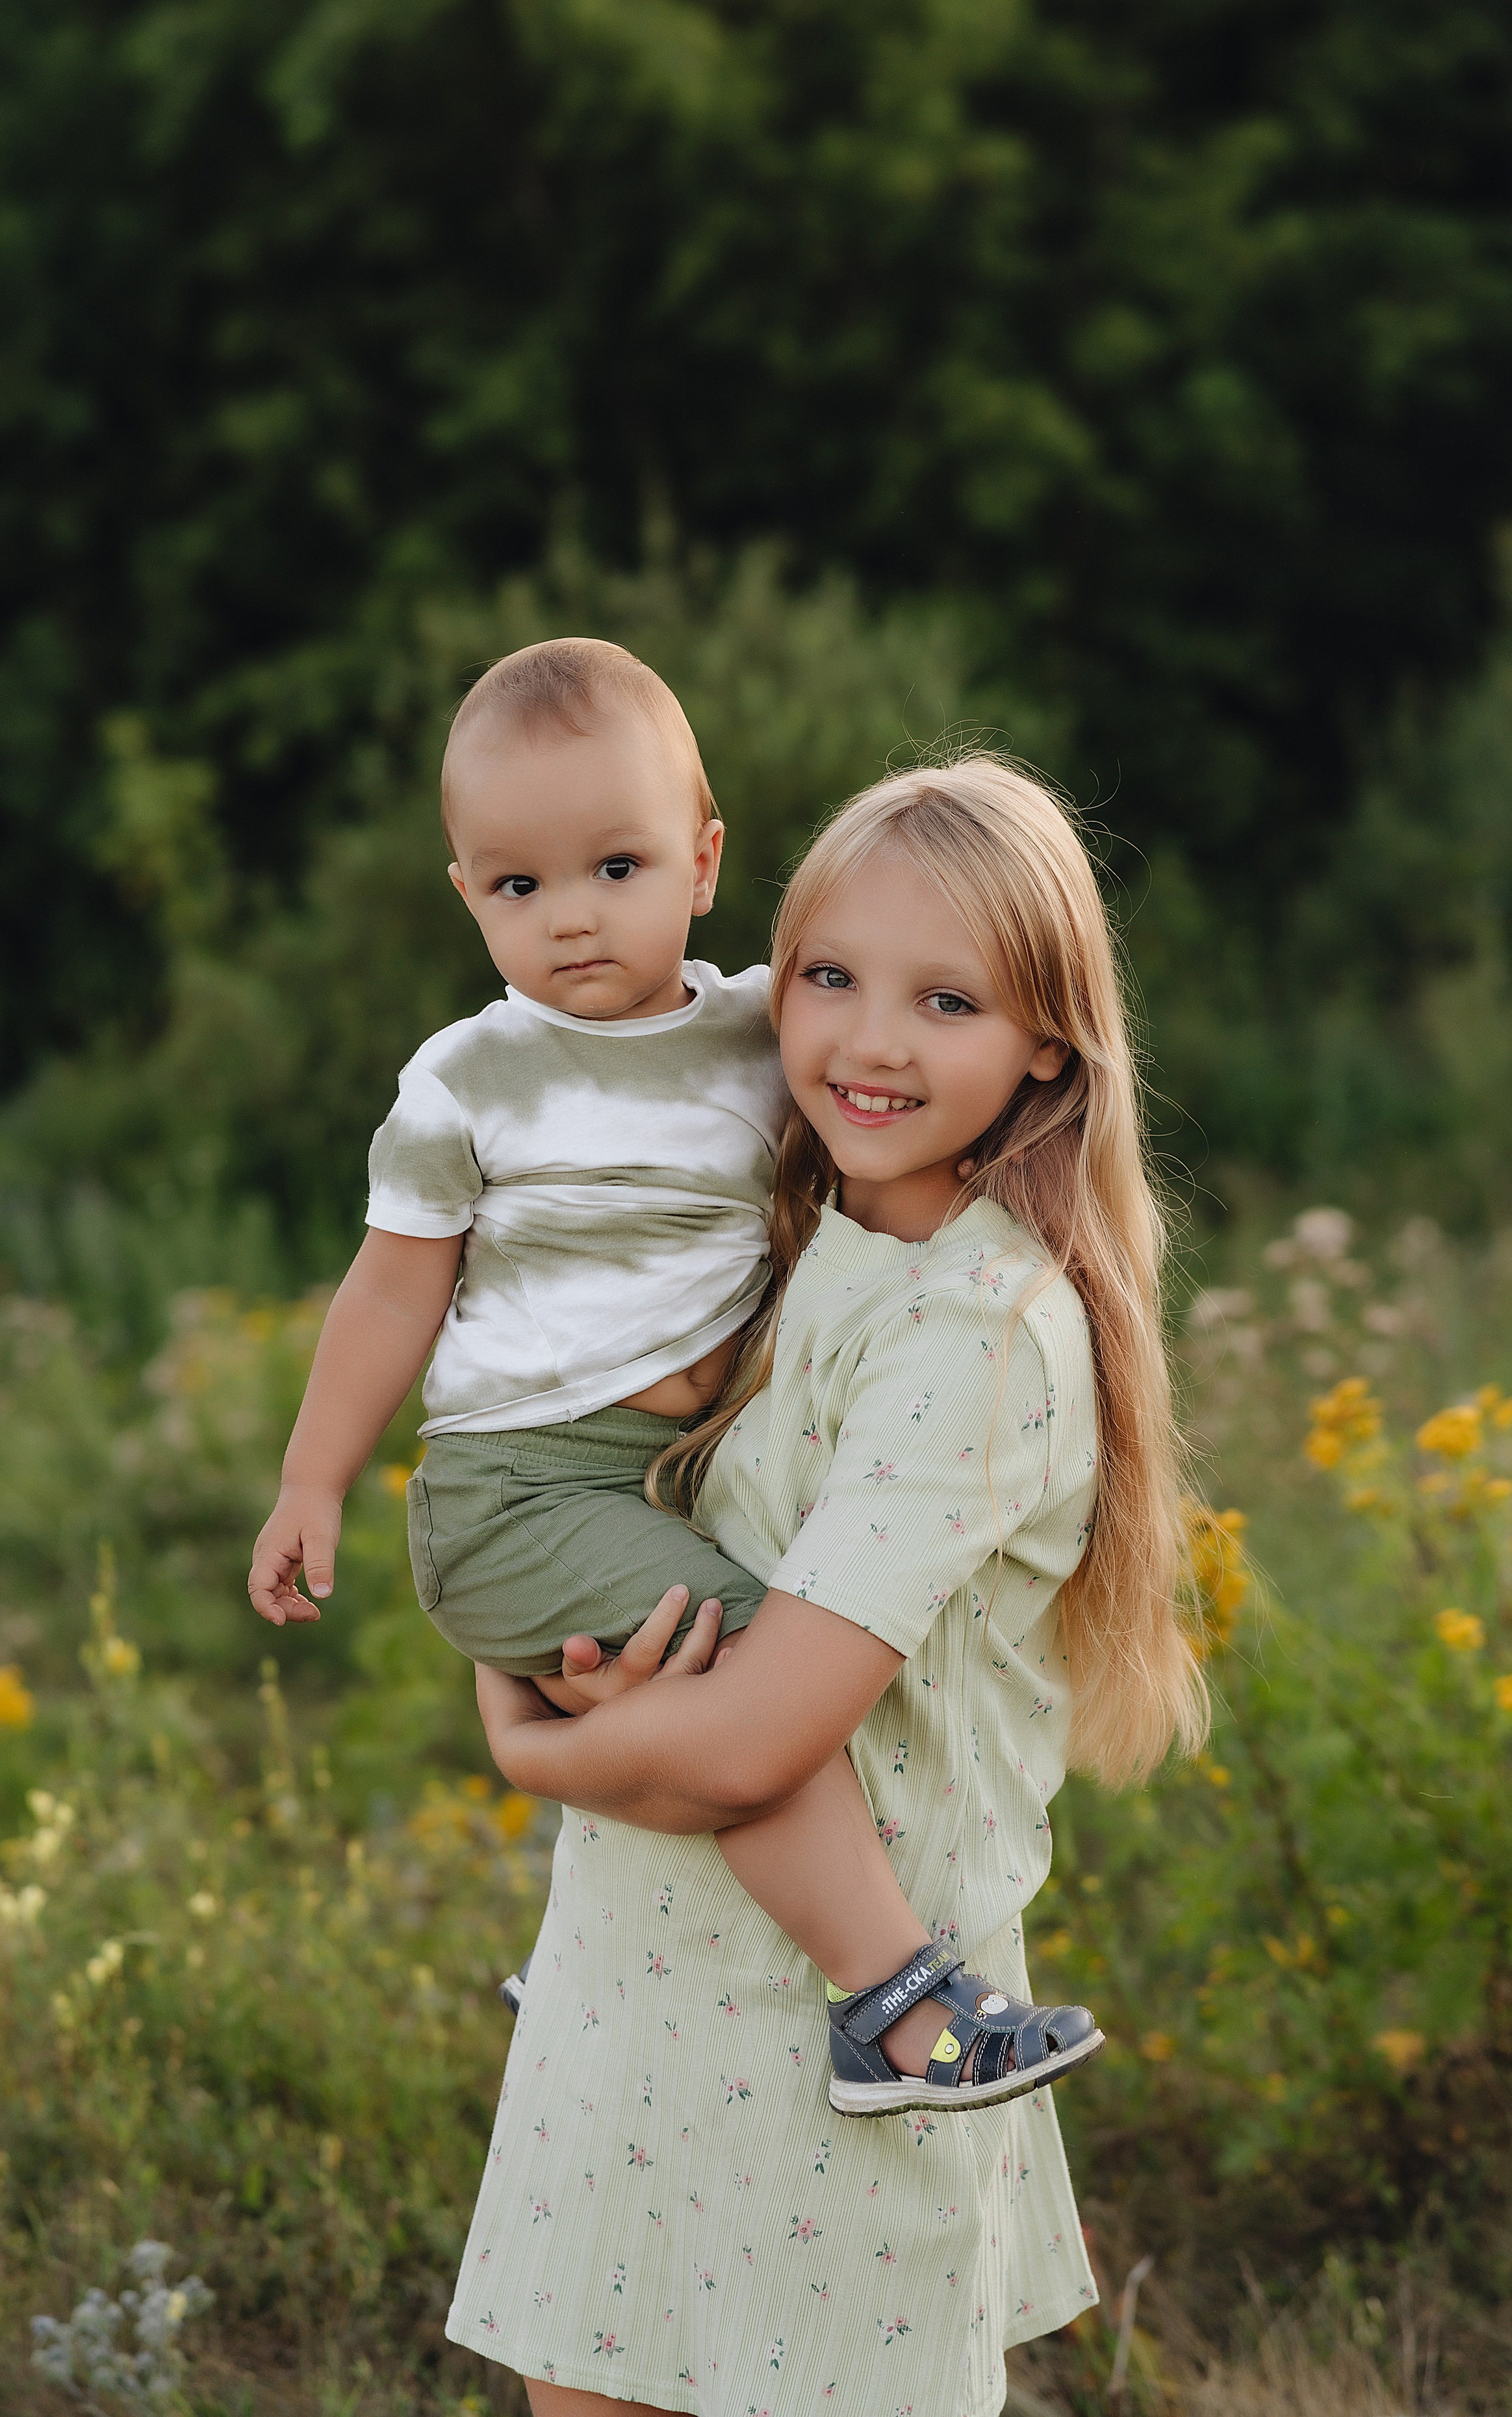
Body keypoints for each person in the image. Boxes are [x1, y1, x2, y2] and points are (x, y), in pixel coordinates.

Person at [247, 644, 1101, 2117]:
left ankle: (587, 1967)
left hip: (655, 1468)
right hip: (519, 1480)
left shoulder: (764, 1029)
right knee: (737, 1670)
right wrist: (312, 1477)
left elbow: (886, 1071)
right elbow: (394, 1284)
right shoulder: (465, 1080)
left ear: (702, 862)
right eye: (516, 887)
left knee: (712, 1671)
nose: (570, 915)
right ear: (464, 894)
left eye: (616, 864)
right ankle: (893, 2003)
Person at [452, 756, 1208, 2417]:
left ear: (1043, 1046)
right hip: (637, 1991)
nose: (868, 1041)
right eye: (829, 977)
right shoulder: (785, 1254)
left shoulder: (977, 1331)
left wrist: (534, 1747)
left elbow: (745, 1744)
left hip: (840, 2067)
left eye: (945, 999)